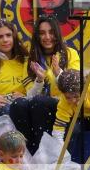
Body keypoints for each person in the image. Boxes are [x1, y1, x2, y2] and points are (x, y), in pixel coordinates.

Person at [9, 15, 80, 154]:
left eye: (51, 32)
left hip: (64, 106)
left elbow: (75, 87)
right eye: (42, 33)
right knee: (18, 105)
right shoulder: (31, 59)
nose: (47, 37)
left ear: (57, 34)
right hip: (38, 106)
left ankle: (42, 154)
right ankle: (30, 153)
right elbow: (30, 96)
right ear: (37, 37)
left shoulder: (70, 54)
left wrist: (58, 72)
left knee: (39, 102)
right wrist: (40, 80)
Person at [52, 70, 90, 165]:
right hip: (82, 118)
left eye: (76, 96)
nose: (72, 100)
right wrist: (62, 153)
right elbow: (58, 132)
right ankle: (66, 163)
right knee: (73, 128)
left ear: (84, 88)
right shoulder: (63, 104)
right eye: (68, 97)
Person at [0, 19, 28, 116]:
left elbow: (36, 92)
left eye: (8, 35)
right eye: (0, 37)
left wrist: (25, 97)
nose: (5, 40)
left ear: (14, 37)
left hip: (21, 110)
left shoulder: (26, 61)